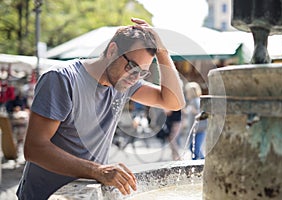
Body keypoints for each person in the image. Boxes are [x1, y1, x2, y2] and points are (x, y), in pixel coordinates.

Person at [16, 18, 185, 199]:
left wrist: (162, 51)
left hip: (86, 194)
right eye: (132, 66)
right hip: (45, 195)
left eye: (142, 72)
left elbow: (174, 102)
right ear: (112, 50)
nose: (135, 77)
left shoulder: (123, 84)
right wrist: (98, 171)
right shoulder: (61, 79)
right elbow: (34, 148)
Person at [185, 82, 207, 160]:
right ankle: (197, 162)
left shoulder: (195, 101)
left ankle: (202, 161)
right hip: (196, 129)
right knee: (193, 147)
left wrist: (195, 111)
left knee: (195, 148)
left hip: (199, 129)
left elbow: (201, 112)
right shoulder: (193, 101)